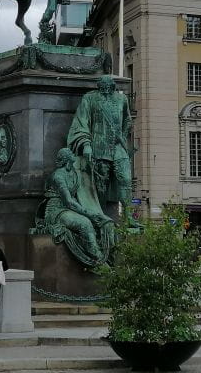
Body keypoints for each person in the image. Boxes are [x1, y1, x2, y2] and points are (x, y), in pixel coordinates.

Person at [67, 75, 133, 210]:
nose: (105, 90)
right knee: (101, 185)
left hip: (118, 147)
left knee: (126, 179)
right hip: (99, 147)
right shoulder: (89, 98)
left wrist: (123, 136)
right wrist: (86, 145)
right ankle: (101, 214)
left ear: (112, 86)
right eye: (102, 88)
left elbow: (127, 120)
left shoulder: (122, 99)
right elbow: (82, 122)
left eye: (108, 87)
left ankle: (129, 216)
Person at [43, 148, 115, 267]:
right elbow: (69, 202)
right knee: (85, 223)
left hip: (71, 210)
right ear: (66, 159)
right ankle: (98, 260)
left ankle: (110, 258)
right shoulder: (58, 176)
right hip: (56, 211)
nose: (73, 154)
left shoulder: (74, 174)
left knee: (107, 223)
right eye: (70, 153)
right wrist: (89, 214)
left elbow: (81, 197)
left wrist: (95, 213)